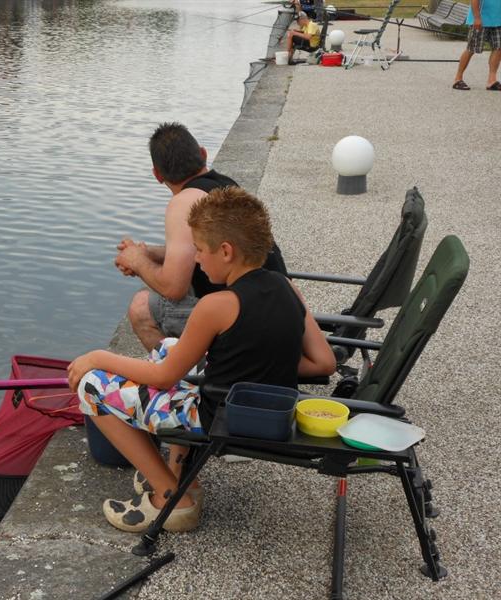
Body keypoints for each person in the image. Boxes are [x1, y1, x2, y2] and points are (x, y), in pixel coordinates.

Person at [68, 187, 336, 533]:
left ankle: (171, 498)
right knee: (170, 347)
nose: (195, 258)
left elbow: (163, 378)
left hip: (219, 418)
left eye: (199, 249)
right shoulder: (286, 287)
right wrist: (260, 363)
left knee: (91, 385)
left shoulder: (217, 306)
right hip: (265, 412)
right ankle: (181, 474)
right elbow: (324, 363)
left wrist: (99, 357)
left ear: (226, 251)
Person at [115, 122, 287, 352]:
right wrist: (146, 253)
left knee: (141, 306)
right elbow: (193, 252)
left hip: (245, 320)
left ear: (157, 174)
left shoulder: (183, 203)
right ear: (203, 154)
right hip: (277, 303)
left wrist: (137, 262)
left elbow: (173, 287)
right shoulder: (224, 186)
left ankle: (178, 371)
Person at [452, 0, 501, 91]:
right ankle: (458, 79)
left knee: (498, 48)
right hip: (481, 20)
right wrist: (477, 18)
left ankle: (492, 81)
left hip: (498, 20)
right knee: (471, 49)